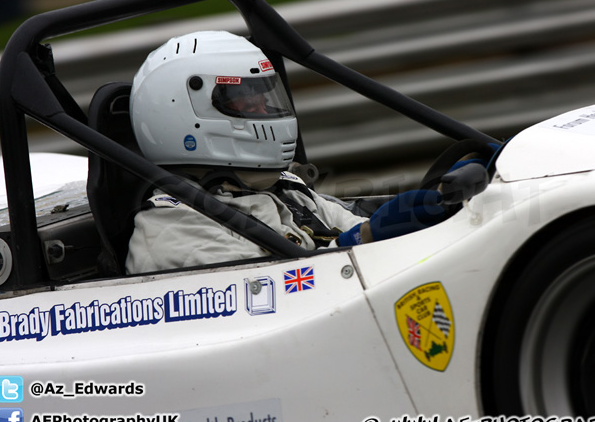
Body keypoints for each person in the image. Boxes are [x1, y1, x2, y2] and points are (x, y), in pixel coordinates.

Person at [125, 31, 450, 274]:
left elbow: (359, 226)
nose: (263, 109)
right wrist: (361, 239)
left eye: (264, 97)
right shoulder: (174, 230)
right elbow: (271, 300)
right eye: (244, 100)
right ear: (182, 111)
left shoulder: (283, 187)